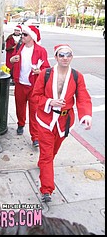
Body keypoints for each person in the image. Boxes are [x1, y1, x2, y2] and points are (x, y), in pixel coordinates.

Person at [32, 44, 92, 203]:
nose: (65, 58)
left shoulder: (77, 76)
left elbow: (83, 98)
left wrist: (86, 115)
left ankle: (43, 164)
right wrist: (50, 102)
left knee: (52, 152)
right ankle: (47, 189)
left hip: (64, 122)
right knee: (46, 155)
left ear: (72, 57)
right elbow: (35, 97)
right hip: (45, 120)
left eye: (68, 55)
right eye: (61, 55)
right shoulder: (45, 74)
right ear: (56, 57)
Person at [10, 25, 50, 148]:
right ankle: (21, 124)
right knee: (20, 107)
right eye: (22, 34)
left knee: (34, 112)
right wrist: (12, 60)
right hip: (20, 83)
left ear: (32, 37)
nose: (22, 36)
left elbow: (46, 68)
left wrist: (40, 71)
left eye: (25, 34)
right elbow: (10, 62)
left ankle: (35, 137)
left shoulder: (41, 50)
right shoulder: (19, 47)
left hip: (34, 86)